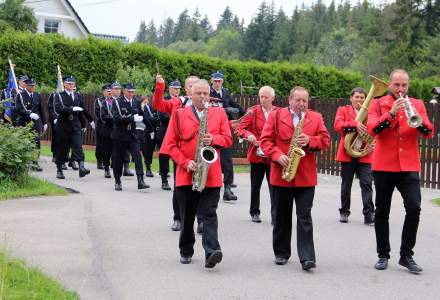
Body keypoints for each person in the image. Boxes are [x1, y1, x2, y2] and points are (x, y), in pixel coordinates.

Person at [367, 69, 434, 274]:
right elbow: (372, 129)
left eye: (404, 85)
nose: (401, 89)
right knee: (382, 211)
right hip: (384, 166)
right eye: (397, 85)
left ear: (408, 85)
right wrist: (392, 113)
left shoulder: (418, 104)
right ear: (389, 85)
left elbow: (429, 133)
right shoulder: (377, 104)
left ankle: (406, 255)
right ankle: (383, 255)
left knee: (414, 208)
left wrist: (417, 118)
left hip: (409, 166)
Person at [160, 79, 232, 268]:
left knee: (209, 214)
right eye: (198, 93)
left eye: (205, 94)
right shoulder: (179, 114)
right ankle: (186, 250)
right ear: (190, 94)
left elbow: (227, 139)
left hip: (211, 173)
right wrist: (185, 162)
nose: (202, 97)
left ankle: (212, 252)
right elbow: (170, 145)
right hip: (186, 173)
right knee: (187, 216)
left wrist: (214, 138)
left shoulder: (219, 113)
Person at [260, 86, 330, 270]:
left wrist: (310, 140)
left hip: (305, 176)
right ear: (289, 100)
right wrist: (277, 155)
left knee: (304, 216)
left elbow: (325, 140)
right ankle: (281, 253)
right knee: (281, 216)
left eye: (304, 101)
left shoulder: (316, 117)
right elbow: (265, 141)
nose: (301, 104)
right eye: (298, 100)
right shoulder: (276, 116)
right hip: (281, 174)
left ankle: (307, 257)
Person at [153, 75, 202, 232]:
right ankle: (178, 218)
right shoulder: (178, 102)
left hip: (201, 150)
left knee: (201, 185)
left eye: (197, 85)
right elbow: (158, 104)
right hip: (181, 152)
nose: (194, 88)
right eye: (190, 85)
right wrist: (160, 86)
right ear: (186, 88)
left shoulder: (208, 103)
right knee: (180, 186)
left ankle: (201, 219)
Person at [235, 86, 279, 224]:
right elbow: (239, 128)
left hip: (273, 155)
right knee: (255, 185)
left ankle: (276, 215)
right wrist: (249, 135)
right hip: (257, 154)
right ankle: (254, 212)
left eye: (266, 97)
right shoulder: (253, 111)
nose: (263, 99)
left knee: (275, 186)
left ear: (273, 98)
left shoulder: (279, 112)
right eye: (261, 97)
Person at [334, 87, 375, 225]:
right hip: (347, 153)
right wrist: (355, 124)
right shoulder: (343, 110)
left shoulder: (371, 112)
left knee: (367, 184)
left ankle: (369, 215)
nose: (359, 100)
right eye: (356, 97)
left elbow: (375, 130)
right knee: (346, 185)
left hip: (365, 153)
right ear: (351, 98)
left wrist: (372, 142)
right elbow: (338, 126)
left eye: (362, 97)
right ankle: (344, 212)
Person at [210, 71, 245, 201]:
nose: (217, 83)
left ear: (222, 81)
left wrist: (244, 112)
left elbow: (232, 103)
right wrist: (225, 110)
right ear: (211, 81)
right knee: (212, 159)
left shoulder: (225, 92)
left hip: (225, 127)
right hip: (212, 129)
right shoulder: (207, 93)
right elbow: (208, 107)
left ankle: (228, 188)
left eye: (219, 81)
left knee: (227, 159)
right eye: (215, 81)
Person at [111, 83, 150, 191]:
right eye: (129, 91)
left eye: (133, 91)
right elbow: (117, 119)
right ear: (124, 91)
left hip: (132, 134)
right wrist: (132, 118)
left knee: (138, 157)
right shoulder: (117, 103)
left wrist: (150, 127)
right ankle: (117, 181)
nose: (131, 94)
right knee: (118, 159)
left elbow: (142, 115)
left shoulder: (136, 102)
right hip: (120, 135)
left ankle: (141, 181)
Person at [53, 76, 91, 179]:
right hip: (64, 126)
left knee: (78, 146)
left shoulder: (77, 96)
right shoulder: (59, 96)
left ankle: (81, 167)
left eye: (73, 84)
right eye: (69, 84)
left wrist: (87, 122)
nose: (71, 85)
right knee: (63, 149)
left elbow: (82, 110)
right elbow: (58, 109)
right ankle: (59, 169)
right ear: (64, 84)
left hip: (75, 126)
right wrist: (71, 108)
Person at [13, 78, 47, 171]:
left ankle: (35, 163)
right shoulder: (20, 95)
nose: (32, 87)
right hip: (24, 123)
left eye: (33, 85)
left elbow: (41, 109)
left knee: (36, 142)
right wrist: (29, 114)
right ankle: (23, 163)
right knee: (23, 142)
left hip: (36, 123)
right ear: (26, 86)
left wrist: (44, 122)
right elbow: (18, 109)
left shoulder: (37, 95)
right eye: (31, 86)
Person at [110, 82, 134, 177]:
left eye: (118, 89)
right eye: (115, 89)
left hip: (124, 128)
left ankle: (126, 167)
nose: (117, 91)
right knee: (112, 150)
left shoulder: (124, 101)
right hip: (111, 127)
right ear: (111, 90)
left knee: (126, 150)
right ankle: (108, 167)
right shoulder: (108, 101)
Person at [95, 83, 114, 178]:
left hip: (113, 127)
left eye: (110, 90)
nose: (109, 92)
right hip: (102, 126)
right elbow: (98, 114)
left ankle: (112, 163)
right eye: (107, 91)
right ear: (103, 92)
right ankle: (100, 161)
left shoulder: (115, 101)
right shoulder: (99, 101)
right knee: (101, 145)